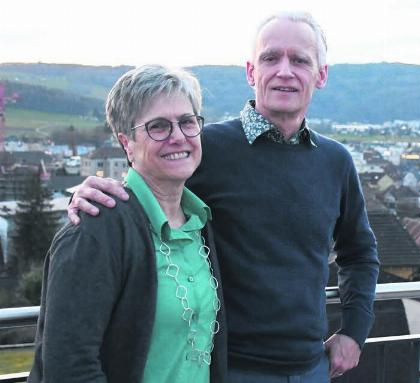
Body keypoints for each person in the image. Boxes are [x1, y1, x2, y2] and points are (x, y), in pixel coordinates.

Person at [67, 12, 379, 382]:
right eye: (270, 58)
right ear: (251, 72)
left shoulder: (335, 162)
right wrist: (93, 195)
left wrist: (354, 331)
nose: (284, 70)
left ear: (321, 75)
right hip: (226, 367)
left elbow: (359, 253)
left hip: (311, 367)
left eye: (299, 60)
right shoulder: (203, 147)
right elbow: (147, 187)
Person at [31, 65, 227, 382]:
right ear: (126, 143)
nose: (178, 136)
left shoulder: (200, 223)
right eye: (158, 127)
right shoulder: (95, 229)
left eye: (187, 122)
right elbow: (69, 369)